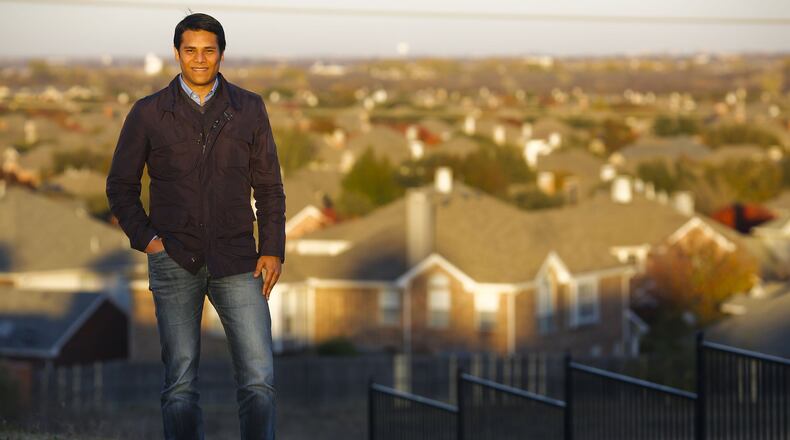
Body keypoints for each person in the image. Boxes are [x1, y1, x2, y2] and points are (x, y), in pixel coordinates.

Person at [106, 12, 285, 440]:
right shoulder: (149, 113)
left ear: (221, 54)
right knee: (180, 386)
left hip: (240, 260)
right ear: (177, 53)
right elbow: (120, 186)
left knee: (259, 381)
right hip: (173, 260)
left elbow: (269, 186)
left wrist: (273, 247)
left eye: (208, 50)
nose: (199, 59)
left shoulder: (249, 108)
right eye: (191, 50)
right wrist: (149, 241)